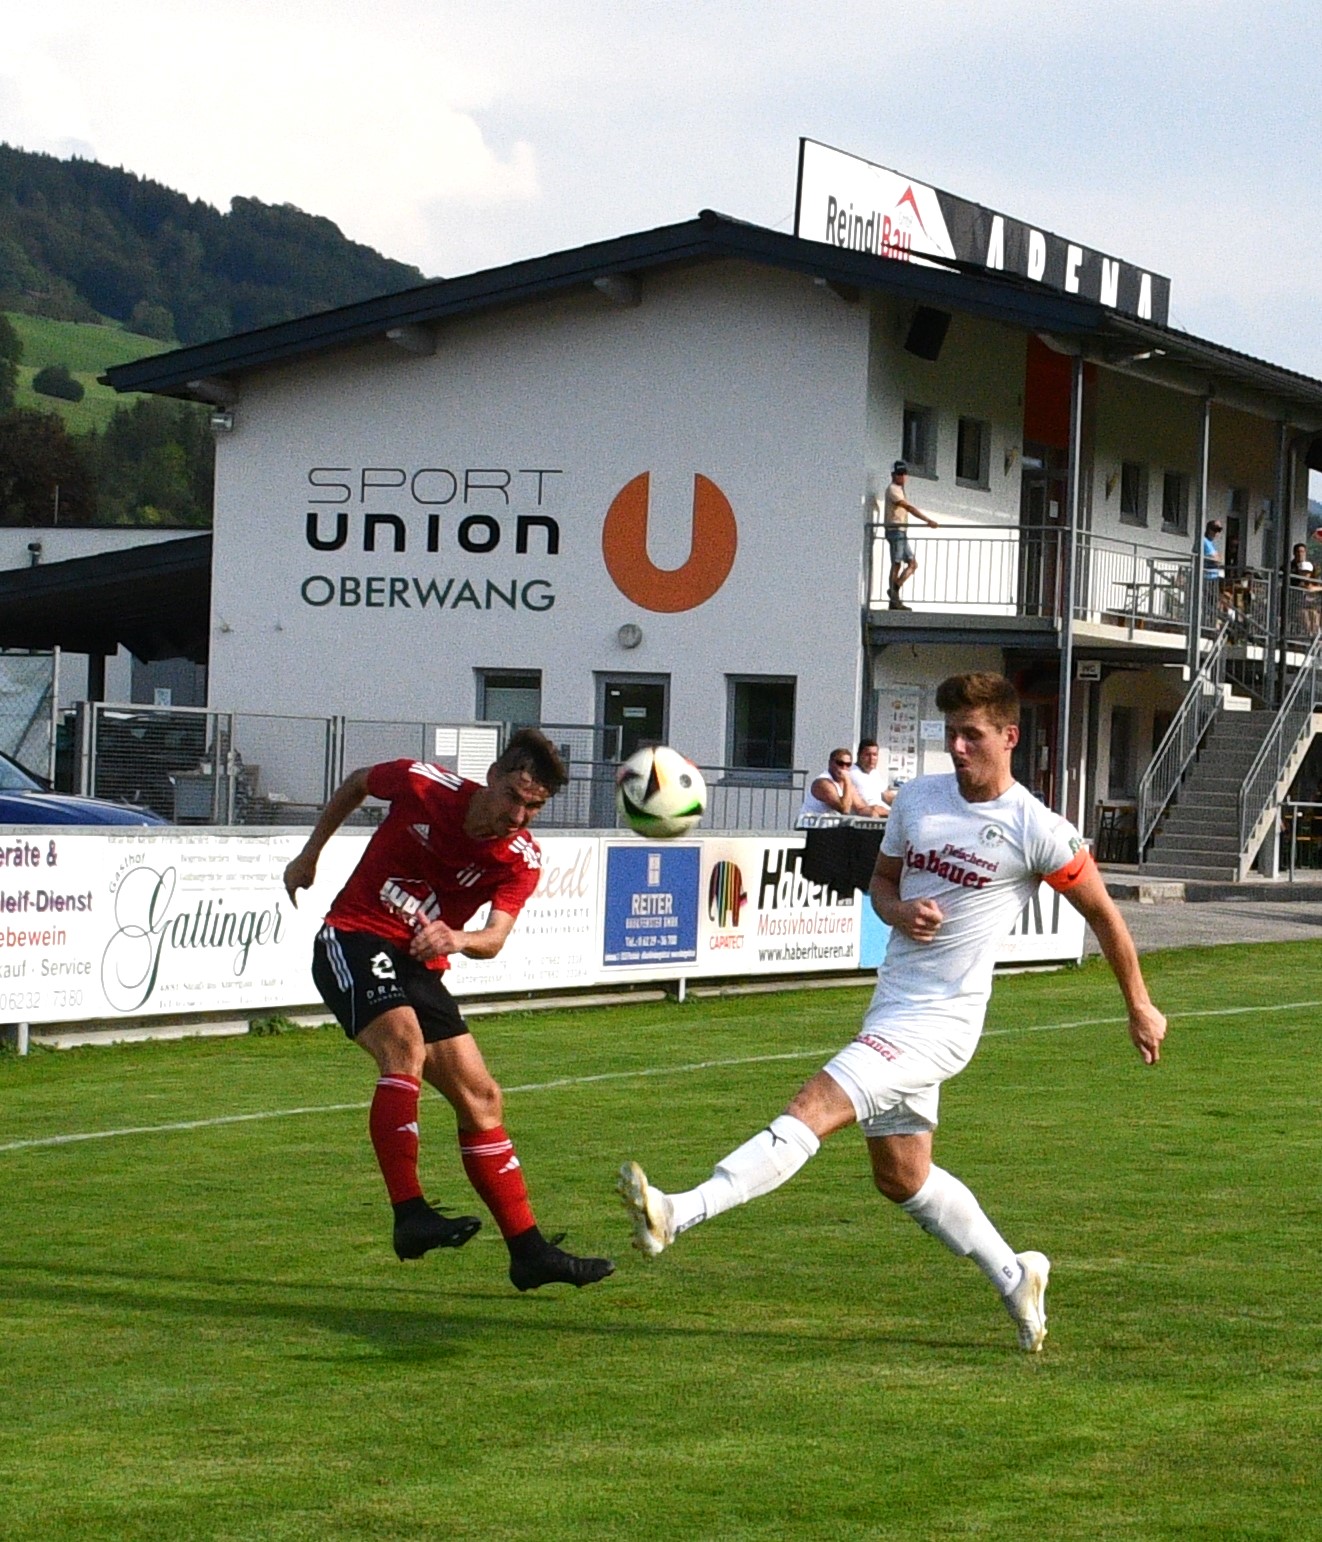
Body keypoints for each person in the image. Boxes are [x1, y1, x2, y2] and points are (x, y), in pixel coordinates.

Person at [619, 672, 1166, 1352]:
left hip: (942, 1025)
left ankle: (678, 1211)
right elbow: (881, 883)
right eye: (952, 734)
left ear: (1009, 737)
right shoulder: (919, 800)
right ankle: (1015, 1274)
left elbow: (1105, 916)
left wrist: (1139, 1004)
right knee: (902, 1177)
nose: (958, 747)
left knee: (814, 1104)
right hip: (893, 1008)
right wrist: (900, 910)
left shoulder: (1038, 829)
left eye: (972, 735)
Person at [284, 728, 613, 1292]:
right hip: (354, 936)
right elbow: (358, 783)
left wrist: (457, 939)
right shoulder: (422, 785)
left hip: (418, 963)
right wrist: (310, 854)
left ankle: (528, 1252)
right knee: (404, 1047)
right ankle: (409, 1213)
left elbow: (495, 937)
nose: (519, 816)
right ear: (492, 777)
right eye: (514, 797)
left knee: (482, 1097)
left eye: (534, 807)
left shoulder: (520, 858)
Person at [878, 460, 939, 611]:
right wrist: (927, 520)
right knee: (897, 563)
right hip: (895, 531)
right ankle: (894, 598)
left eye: (904, 473)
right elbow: (908, 508)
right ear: (893, 475)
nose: (903, 476)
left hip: (901, 531)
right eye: (899, 474)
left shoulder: (900, 489)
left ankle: (894, 590)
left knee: (912, 564)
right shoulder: (893, 489)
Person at [797, 747, 868, 824]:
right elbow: (844, 810)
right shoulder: (822, 783)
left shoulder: (845, 785)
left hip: (829, 827)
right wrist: (847, 780)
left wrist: (875, 812)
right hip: (809, 827)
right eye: (840, 763)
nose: (844, 768)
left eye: (848, 764)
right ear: (830, 763)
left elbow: (861, 808)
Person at [848, 738, 897, 817]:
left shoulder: (875, 773)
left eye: (874, 755)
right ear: (859, 755)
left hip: (882, 813)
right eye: (867, 755)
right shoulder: (850, 772)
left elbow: (887, 795)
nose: (871, 759)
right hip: (865, 815)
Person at [1289, 542, 1321, 639]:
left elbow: (1314, 586)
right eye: (1298, 552)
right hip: (1295, 603)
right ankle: (1309, 636)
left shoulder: (1310, 566)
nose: (1300, 554)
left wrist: (1314, 588)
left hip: (1310, 605)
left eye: (1302, 552)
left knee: (1314, 615)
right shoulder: (1289, 567)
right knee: (1304, 615)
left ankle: (1315, 637)